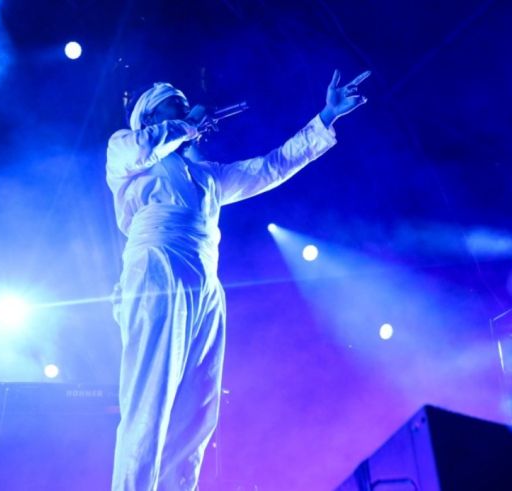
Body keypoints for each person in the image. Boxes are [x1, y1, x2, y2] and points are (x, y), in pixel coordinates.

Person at [105, 69, 370, 490]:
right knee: (149, 403)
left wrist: (326, 119)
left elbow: (271, 166)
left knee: (196, 416)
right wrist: (188, 123)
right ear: (151, 115)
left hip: (205, 282)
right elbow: (145, 146)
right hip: (158, 265)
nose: (187, 109)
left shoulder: (208, 176)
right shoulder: (125, 150)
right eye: (175, 103)